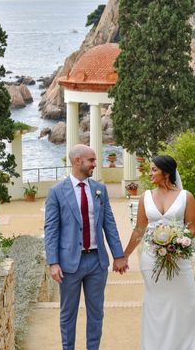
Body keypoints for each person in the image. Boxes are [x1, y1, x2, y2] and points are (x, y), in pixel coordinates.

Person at [122, 155, 195, 350]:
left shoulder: (186, 196)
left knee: (185, 302)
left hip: (179, 258)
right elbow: (139, 229)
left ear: (167, 172)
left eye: (154, 169)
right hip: (151, 259)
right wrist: (125, 255)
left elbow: (192, 228)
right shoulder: (145, 197)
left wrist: (177, 241)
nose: (150, 173)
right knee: (157, 304)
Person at [44, 144, 129, 350]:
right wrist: (53, 262)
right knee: (68, 314)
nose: (94, 164)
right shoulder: (56, 192)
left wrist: (119, 255)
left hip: (97, 263)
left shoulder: (100, 189)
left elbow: (109, 223)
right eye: (91, 160)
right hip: (68, 264)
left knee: (96, 313)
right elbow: (51, 229)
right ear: (77, 161)